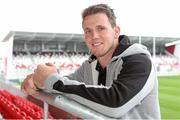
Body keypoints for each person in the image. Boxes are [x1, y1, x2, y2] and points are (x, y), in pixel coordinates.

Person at [21, 4, 161, 119]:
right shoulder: (89, 65)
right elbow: (63, 86)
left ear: (116, 31)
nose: (94, 36)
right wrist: (36, 81)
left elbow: (116, 104)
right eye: (88, 31)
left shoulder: (139, 61)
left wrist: (53, 81)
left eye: (101, 28)